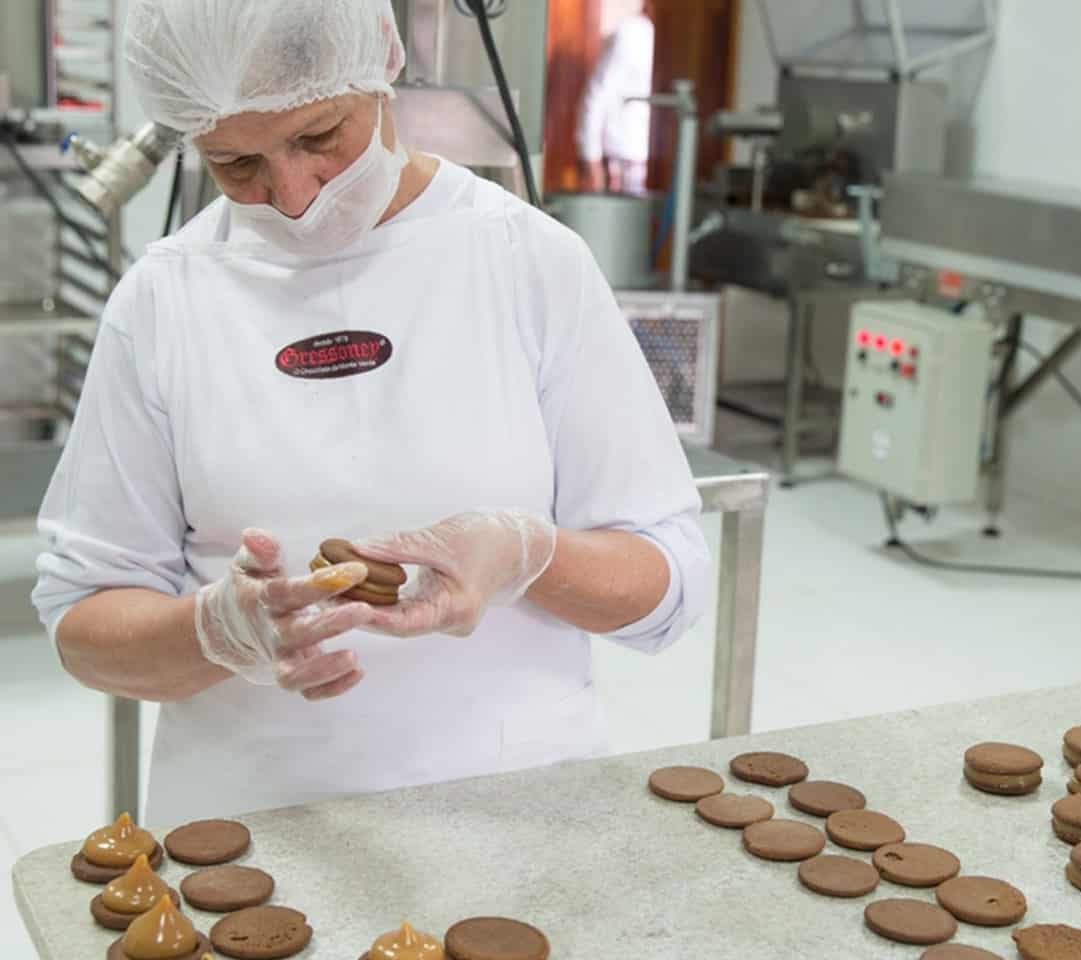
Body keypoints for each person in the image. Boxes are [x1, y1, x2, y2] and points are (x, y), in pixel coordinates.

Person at [32, 0, 709, 825]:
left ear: (382, 55)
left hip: (521, 820)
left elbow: (667, 586)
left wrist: (529, 554)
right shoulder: (164, 298)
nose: (293, 195)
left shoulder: (526, 261)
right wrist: (214, 633)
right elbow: (85, 622)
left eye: (319, 138)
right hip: (249, 841)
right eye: (235, 163)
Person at [576, 0, 655, 194]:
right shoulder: (633, 33)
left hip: (642, 158)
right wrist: (591, 157)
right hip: (621, 157)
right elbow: (597, 95)